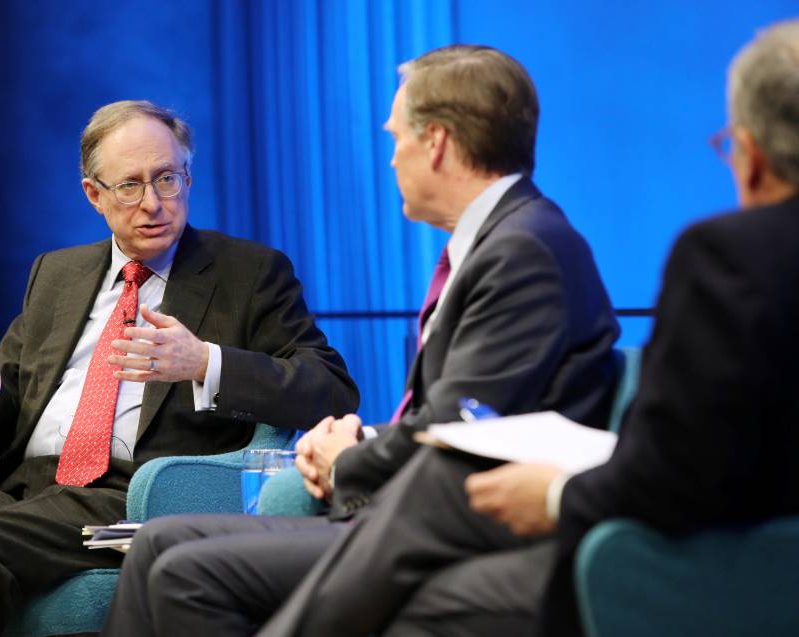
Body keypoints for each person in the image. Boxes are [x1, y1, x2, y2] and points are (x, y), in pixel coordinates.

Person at [256, 18, 799, 637]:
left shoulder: (726, 255)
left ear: (752, 157)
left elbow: (679, 469)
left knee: (419, 553)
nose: (389, 157)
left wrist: (553, 495)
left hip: (709, 564)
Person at [101, 45, 620, 637]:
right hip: (417, 505)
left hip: (460, 527)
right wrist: (361, 437)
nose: (393, 157)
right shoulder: (498, 242)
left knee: (185, 573)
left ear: (438, 143)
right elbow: (457, 413)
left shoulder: (525, 249)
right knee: (159, 542)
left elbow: (465, 427)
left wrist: (350, 457)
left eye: (397, 137)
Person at [0, 100, 359, 637]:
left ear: (188, 177)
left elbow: (331, 388)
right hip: (25, 489)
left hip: (128, 494)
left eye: (168, 179)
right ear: (94, 194)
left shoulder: (249, 272)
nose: (154, 203)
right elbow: (5, 418)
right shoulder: (57, 273)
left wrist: (204, 362)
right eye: (130, 186)